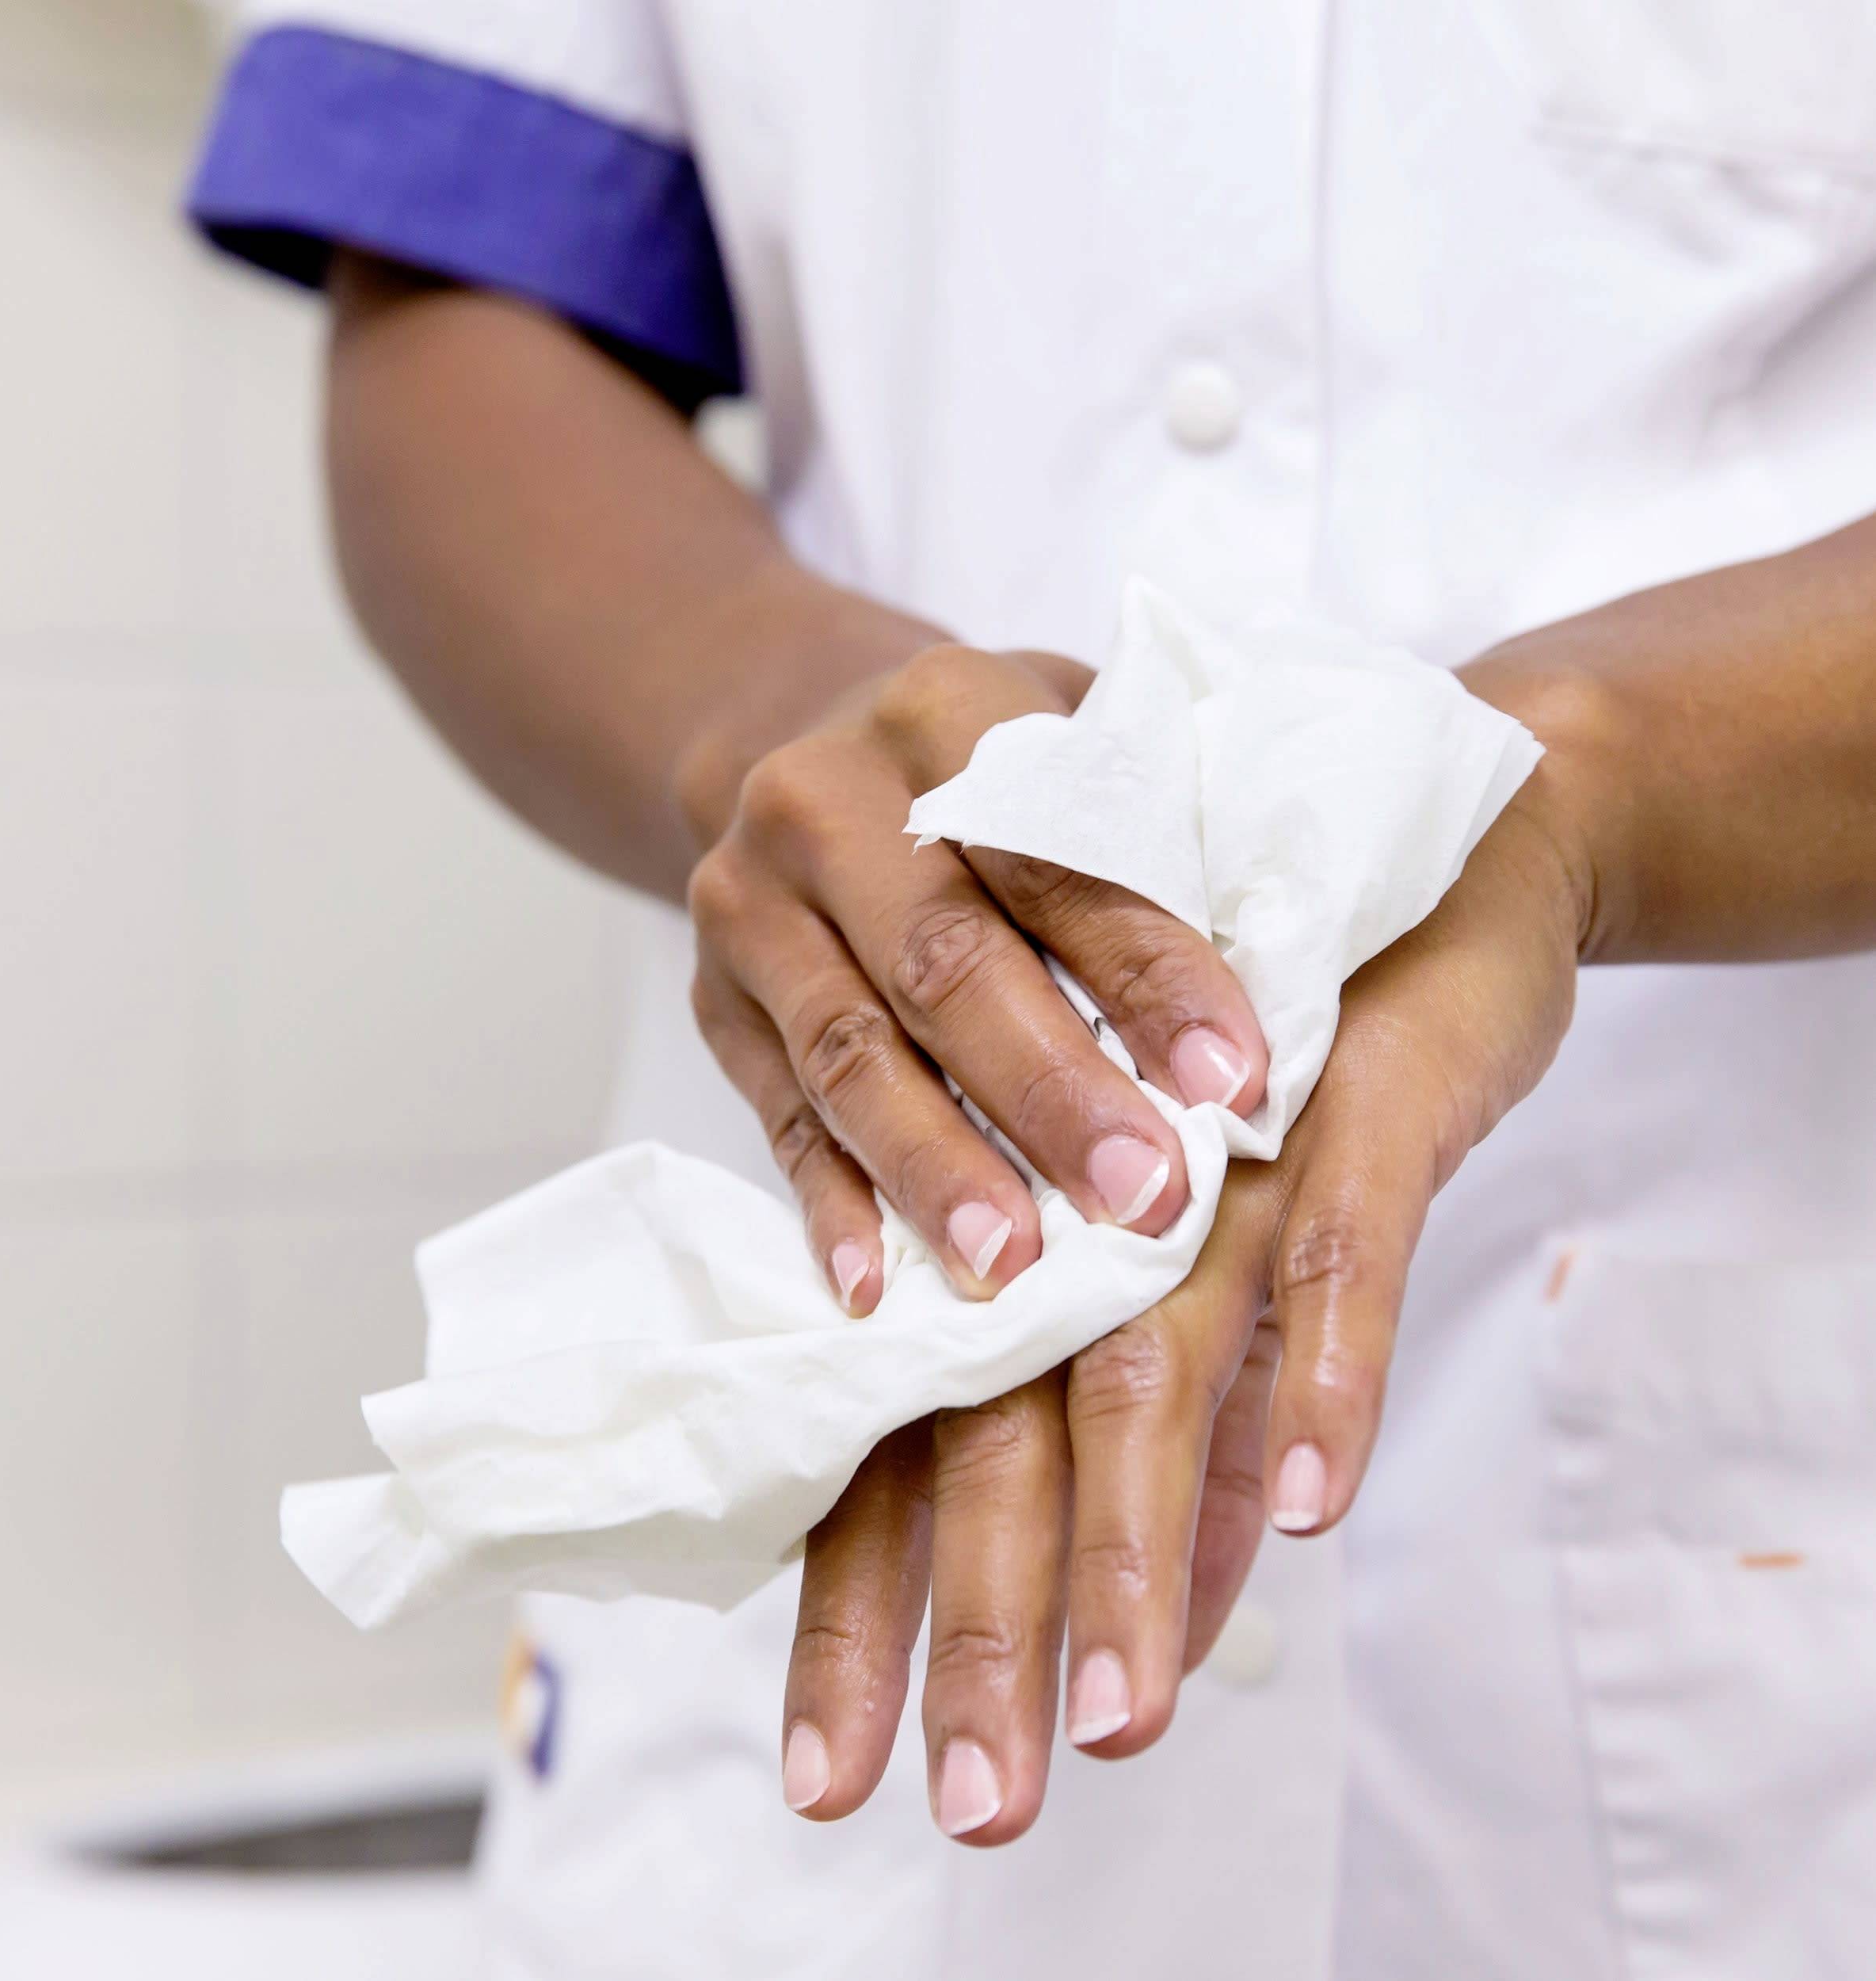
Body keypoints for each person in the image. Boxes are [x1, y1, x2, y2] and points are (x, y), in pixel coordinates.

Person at [189, 6, 1876, 1976]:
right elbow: (463, 307)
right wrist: (775, 715)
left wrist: (1569, 786)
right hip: (812, 1692)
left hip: (1732, 1633)